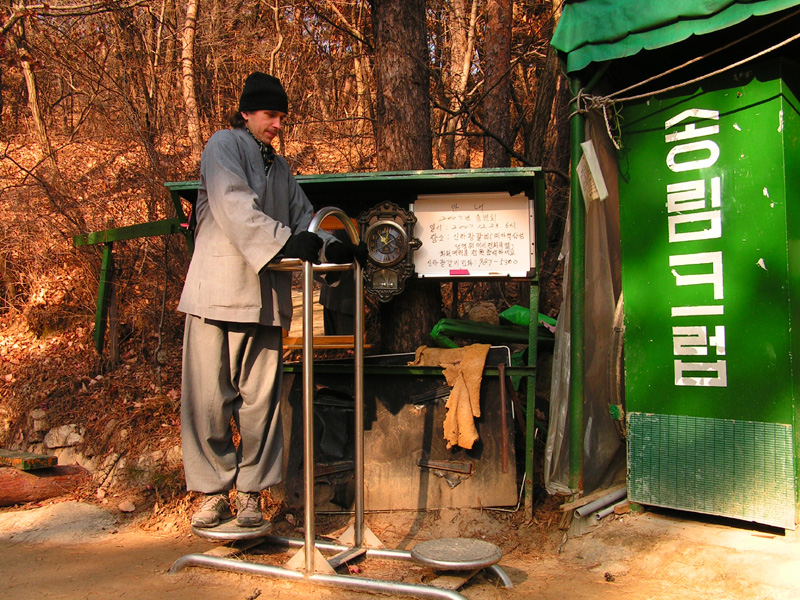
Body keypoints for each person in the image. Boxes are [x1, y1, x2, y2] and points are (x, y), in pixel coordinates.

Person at [178, 71, 366, 528]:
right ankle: (211, 494)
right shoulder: (223, 146)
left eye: (281, 116)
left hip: (264, 303)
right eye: (269, 114)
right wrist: (288, 244)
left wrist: (331, 247)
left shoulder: (281, 170)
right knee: (208, 401)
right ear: (246, 113)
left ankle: (250, 495)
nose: (277, 123)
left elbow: (306, 220)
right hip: (216, 295)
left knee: (261, 405)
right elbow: (235, 206)